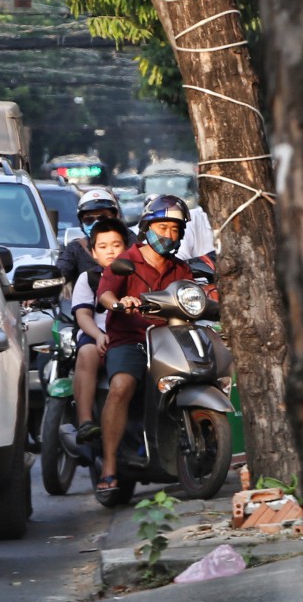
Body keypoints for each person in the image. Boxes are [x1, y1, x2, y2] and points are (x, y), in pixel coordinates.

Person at [93, 194, 195, 493]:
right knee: (122, 386)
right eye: (162, 227)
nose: (168, 234)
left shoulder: (180, 269)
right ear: (146, 228)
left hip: (170, 341)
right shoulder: (124, 262)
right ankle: (110, 464)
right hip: (131, 340)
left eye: (175, 230)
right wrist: (119, 304)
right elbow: (105, 295)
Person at [70, 217, 130, 444]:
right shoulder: (89, 278)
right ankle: (85, 420)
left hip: (131, 335)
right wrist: (97, 335)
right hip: (97, 334)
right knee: (87, 353)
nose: (111, 252)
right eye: (103, 247)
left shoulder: (136, 276)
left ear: (127, 248)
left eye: (116, 245)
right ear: (93, 252)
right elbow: (83, 315)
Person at [56, 189, 135, 283]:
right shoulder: (76, 249)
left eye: (103, 218)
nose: (97, 223)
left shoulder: (132, 241)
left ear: (115, 218)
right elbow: (60, 274)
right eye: (89, 220)